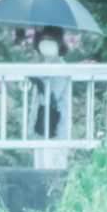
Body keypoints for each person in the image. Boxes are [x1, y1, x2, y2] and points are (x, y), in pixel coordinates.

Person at [28, 26, 70, 169]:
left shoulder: (61, 67)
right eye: (44, 39)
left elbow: (53, 95)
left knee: (54, 169)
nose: (46, 43)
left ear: (59, 43)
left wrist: (39, 82)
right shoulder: (40, 67)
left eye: (51, 39)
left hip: (55, 128)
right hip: (39, 125)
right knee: (40, 169)